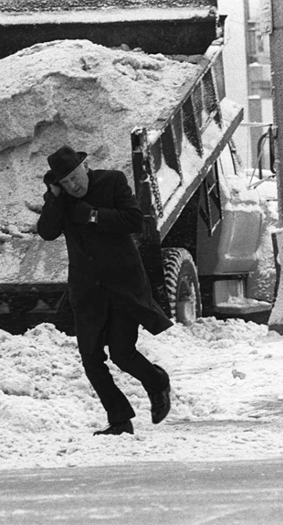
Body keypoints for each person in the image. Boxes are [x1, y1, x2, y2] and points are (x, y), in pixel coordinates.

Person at [36, 145, 173, 436]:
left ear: (85, 168)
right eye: (66, 182)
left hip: (122, 286)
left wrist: (95, 215)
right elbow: (47, 232)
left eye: (75, 176)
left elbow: (135, 220)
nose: (74, 185)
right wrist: (55, 200)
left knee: (122, 353)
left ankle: (157, 381)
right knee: (91, 360)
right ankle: (119, 419)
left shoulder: (112, 181)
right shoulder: (60, 199)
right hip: (87, 292)